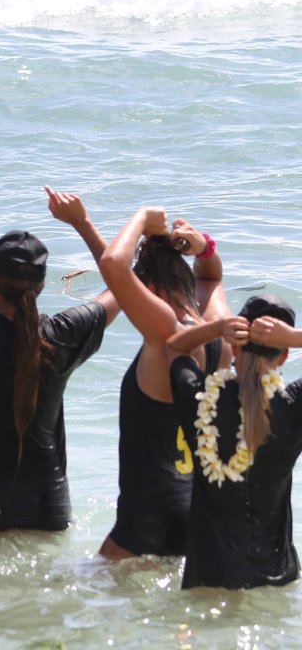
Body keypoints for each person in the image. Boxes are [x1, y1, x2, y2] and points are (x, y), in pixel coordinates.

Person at [0, 188, 119, 535]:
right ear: (42, 284)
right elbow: (124, 287)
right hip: (50, 511)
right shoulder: (61, 335)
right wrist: (82, 223)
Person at [98, 208, 231, 558]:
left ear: (151, 288)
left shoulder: (164, 333)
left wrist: (143, 218)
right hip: (194, 511)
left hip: (145, 520)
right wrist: (204, 249)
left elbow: (113, 264)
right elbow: (213, 279)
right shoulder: (221, 337)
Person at [167, 294, 302, 589]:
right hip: (278, 584)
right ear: (285, 356)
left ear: (232, 346)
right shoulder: (291, 409)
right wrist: (296, 337)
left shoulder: (201, 401)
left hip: (210, 581)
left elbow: (175, 347)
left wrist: (215, 329)